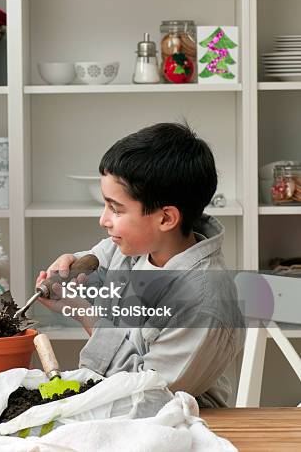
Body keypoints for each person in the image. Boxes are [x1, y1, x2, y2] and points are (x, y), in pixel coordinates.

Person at [36, 122, 245, 407]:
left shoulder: (202, 302)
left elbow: (150, 393)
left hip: (179, 427)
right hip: (118, 411)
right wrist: (71, 269)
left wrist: (84, 314)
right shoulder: (133, 247)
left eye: (116, 209)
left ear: (166, 218)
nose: (103, 220)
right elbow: (97, 268)